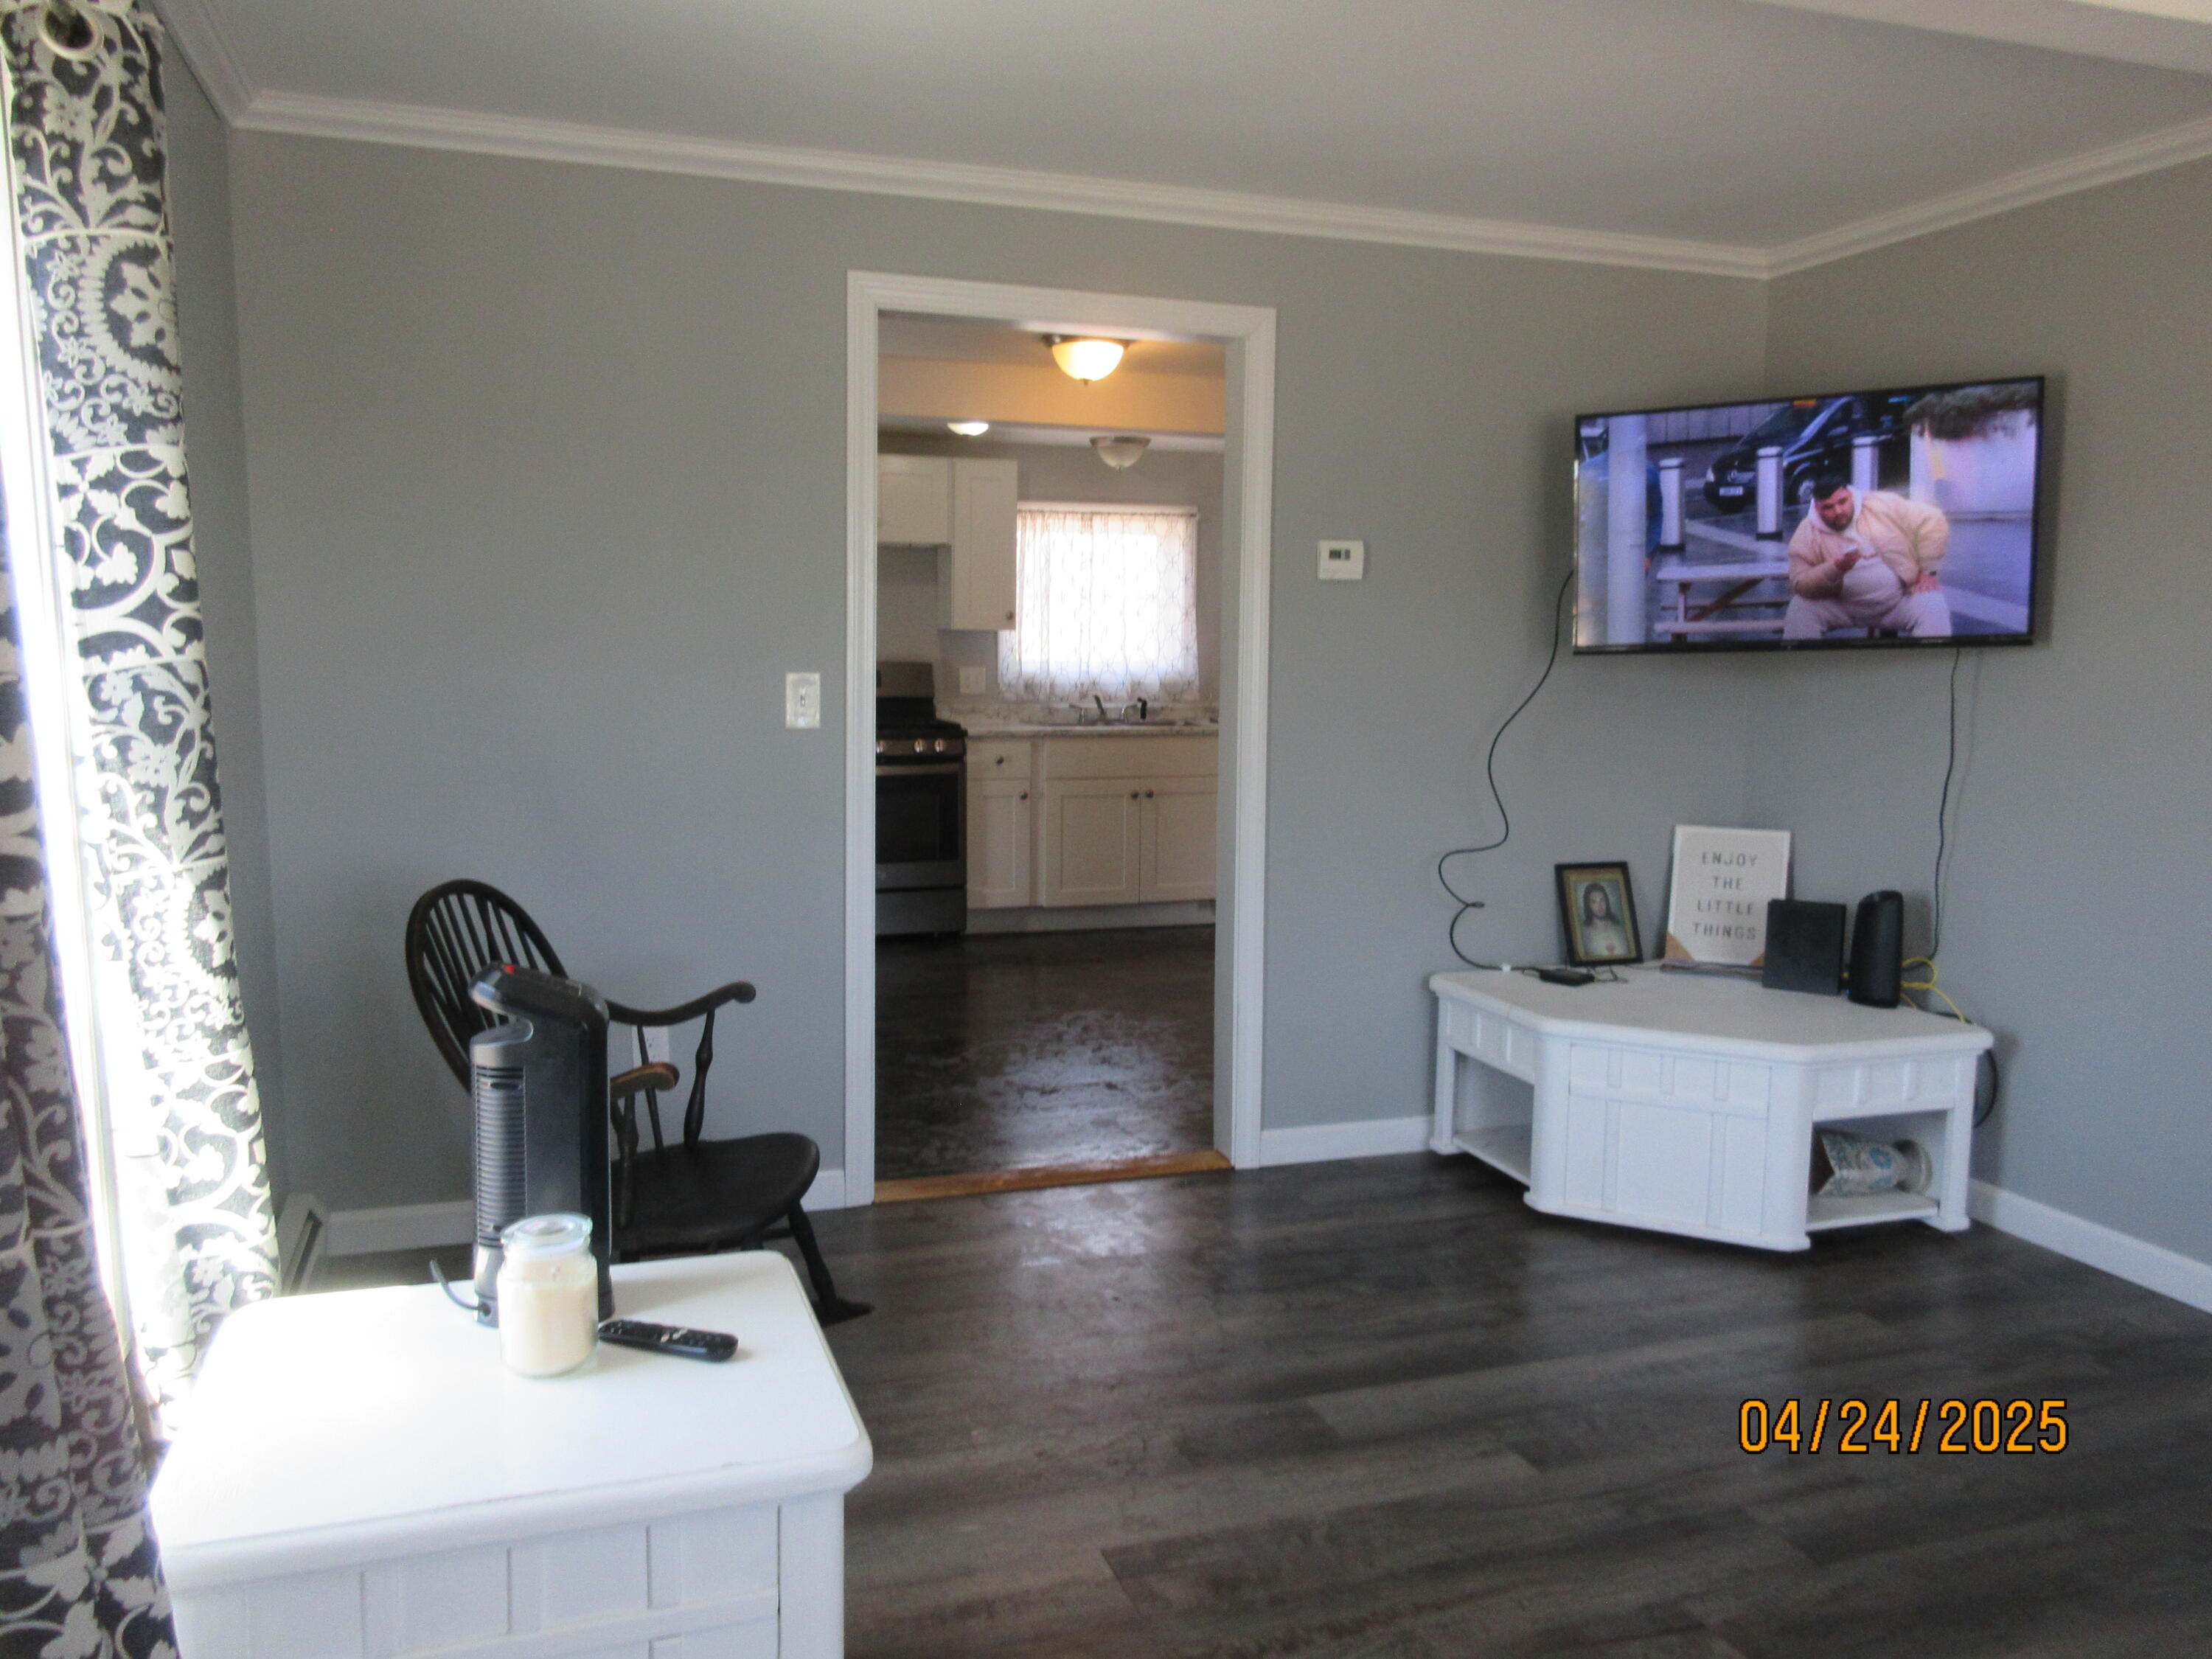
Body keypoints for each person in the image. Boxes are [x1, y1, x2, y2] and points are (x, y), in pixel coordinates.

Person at [1782, 470, 1952, 639]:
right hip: (1841, 607)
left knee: (1933, 604)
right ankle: (1804, 658)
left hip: (1897, 602)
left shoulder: (1880, 503)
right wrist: (1835, 568)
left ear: (1850, 494)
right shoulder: (1807, 531)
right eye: (1829, 507)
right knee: (1800, 608)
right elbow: (1800, 583)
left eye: (1843, 502)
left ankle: (1931, 659)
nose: (1838, 511)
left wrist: (1928, 571)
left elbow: (1932, 518)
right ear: (1816, 508)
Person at [1578, 882, 1632, 961]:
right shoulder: (1583, 934)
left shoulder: (1621, 930)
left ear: (1607, 901)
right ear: (1588, 905)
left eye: (1602, 900)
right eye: (1594, 902)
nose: (1599, 905)